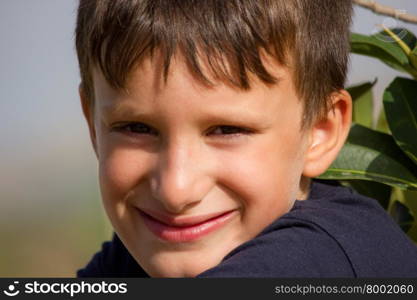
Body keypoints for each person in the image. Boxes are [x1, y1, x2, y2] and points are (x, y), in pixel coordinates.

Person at [74, 0, 417, 277]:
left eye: (227, 130)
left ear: (318, 131)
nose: (176, 191)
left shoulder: (320, 259)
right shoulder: (130, 259)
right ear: (93, 125)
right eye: (136, 128)